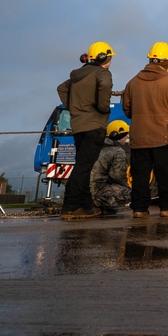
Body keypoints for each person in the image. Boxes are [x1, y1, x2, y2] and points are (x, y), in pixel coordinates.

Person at [122, 42, 168, 218]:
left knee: (140, 176)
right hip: (163, 136)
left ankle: (139, 209)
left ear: (150, 59)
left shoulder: (132, 83)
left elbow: (127, 109)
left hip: (139, 137)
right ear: (166, 61)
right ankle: (167, 208)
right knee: (166, 174)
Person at [56, 41, 115, 220]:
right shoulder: (102, 73)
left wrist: (74, 108)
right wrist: (103, 108)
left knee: (83, 166)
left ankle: (87, 206)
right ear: (105, 57)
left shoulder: (78, 76)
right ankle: (70, 207)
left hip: (79, 126)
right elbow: (105, 85)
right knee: (83, 167)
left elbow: (61, 88)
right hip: (94, 126)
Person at [91, 120, 132, 214]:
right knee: (129, 193)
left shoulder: (96, 147)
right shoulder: (117, 151)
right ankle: (99, 204)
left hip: (84, 190)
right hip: (97, 191)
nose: (127, 137)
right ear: (118, 135)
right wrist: (128, 186)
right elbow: (118, 176)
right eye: (126, 134)